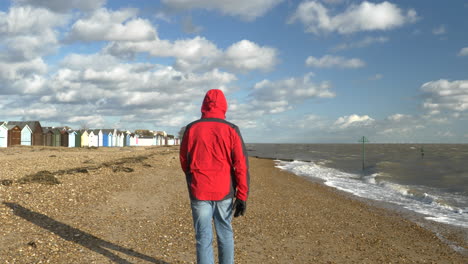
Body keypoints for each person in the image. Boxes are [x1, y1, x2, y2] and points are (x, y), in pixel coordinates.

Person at [179, 89, 249, 264]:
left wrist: (193, 176)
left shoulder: (192, 128)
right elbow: (241, 164)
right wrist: (242, 195)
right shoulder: (231, 129)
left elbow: (184, 161)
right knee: (225, 234)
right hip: (223, 190)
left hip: (199, 189)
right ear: (224, 105)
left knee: (203, 238)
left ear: (203, 105)